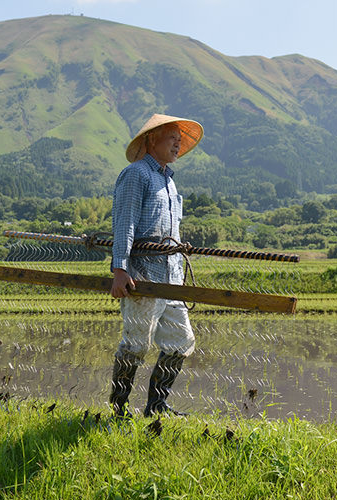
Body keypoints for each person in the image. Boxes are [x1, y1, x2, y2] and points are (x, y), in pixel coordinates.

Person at [109, 113, 204, 419]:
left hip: (171, 278)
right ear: (152, 139)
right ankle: (118, 409)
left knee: (180, 340)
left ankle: (156, 407)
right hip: (142, 276)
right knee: (136, 344)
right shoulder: (136, 174)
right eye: (172, 138)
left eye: (180, 139)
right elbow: (125, 223)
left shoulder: (169, 181)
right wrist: (120, 270)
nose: (178, 144)